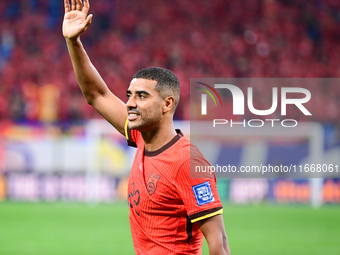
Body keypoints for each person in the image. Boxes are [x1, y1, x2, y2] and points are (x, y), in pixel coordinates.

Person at [62, 0, 231, 254]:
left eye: (141, 96)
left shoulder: (186, 162)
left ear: (167, 104)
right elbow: (97, 95)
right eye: (129, 95)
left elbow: (219, 243)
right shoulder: (141, 137)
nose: (130, 103)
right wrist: (73, 42)